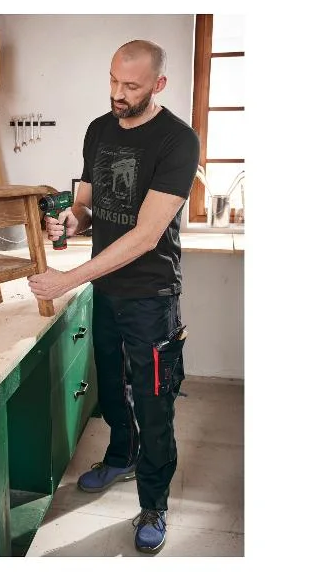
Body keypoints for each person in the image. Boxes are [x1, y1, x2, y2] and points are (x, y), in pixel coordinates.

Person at [27, 40, 200, 554]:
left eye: (131, 86)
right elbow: (86, 203)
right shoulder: (98, 129)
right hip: (106, 289)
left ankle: (154, 503)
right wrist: (71, 220)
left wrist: (68, 278)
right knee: (110, 389)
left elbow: (146, 235)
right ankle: (121, 456)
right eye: (112, 81)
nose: (118, 94)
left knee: (154, 402)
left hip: (151, 297)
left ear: (158, 85)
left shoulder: (178, 140)